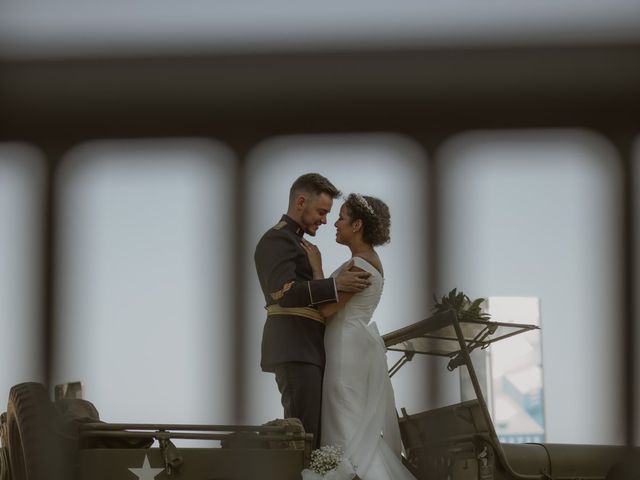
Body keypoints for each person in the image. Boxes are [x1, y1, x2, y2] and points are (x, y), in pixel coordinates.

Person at [300, 193, 416, 480]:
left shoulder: (361, 266)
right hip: (347, 345)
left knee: (345, 423)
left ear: (358, 225)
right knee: (348, 423)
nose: (335, 224)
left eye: (341, 217)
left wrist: (316, 266)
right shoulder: (363, 261)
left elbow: (327, 309)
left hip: (344, 350)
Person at [255, 173, 372, 449]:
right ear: (300, 202)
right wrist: (335, 285)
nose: (324, 220)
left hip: (308, 348)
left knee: (314, 437)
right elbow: (282, 293)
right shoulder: (276, 240)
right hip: (294, 348)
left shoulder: (299, 244)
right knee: (303, 438)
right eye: (321, 211)